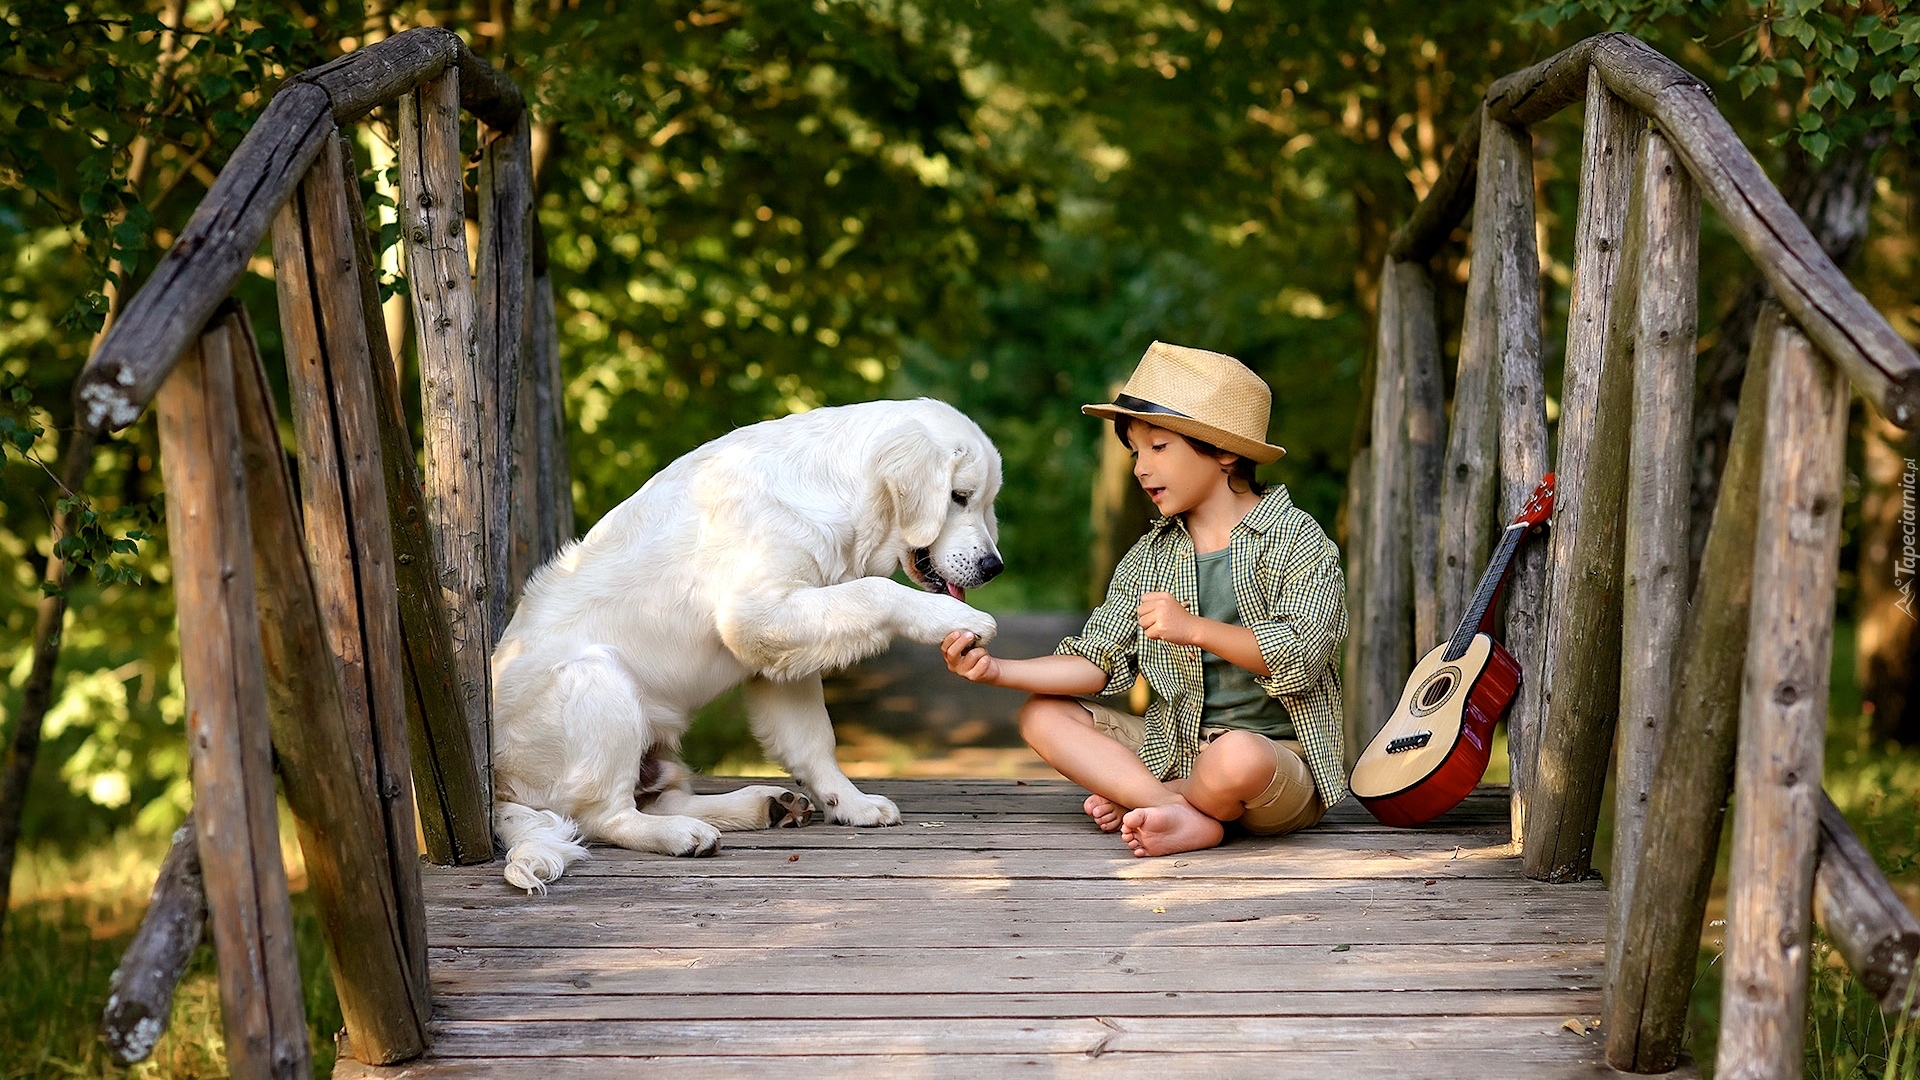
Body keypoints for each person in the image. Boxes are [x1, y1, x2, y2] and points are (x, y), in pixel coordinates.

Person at [942, 341, 1349, 857]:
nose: (1140, 468)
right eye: (1136, 451)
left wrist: (1194, 628)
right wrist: (997, 670)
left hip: (1274, 767)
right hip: (1175, 750)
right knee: (1041, 715)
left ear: (1224, 451)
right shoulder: (1148, 557)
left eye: (1159, 447)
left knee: (1237, 756)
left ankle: (1166, 800)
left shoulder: (1297, 539)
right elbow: (1095, 663)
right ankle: (1176, 809)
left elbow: (1302, 659)